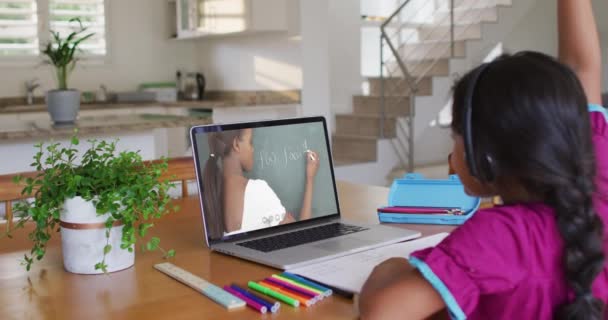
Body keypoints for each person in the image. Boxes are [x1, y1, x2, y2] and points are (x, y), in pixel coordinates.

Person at [358, 0, 608, 319]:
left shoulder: (499, 236)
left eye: (456, 135)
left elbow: (384, 311)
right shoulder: (597, 167)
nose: (452, 154)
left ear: (485, 156)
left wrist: (391, 267)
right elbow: (580, 69)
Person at [201, 128, 320, 239]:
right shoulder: (256, 191)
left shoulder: (213, 189)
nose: (253, 149)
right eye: (250, 142)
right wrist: (310, 178)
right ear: (236, 144)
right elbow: (301, 235)